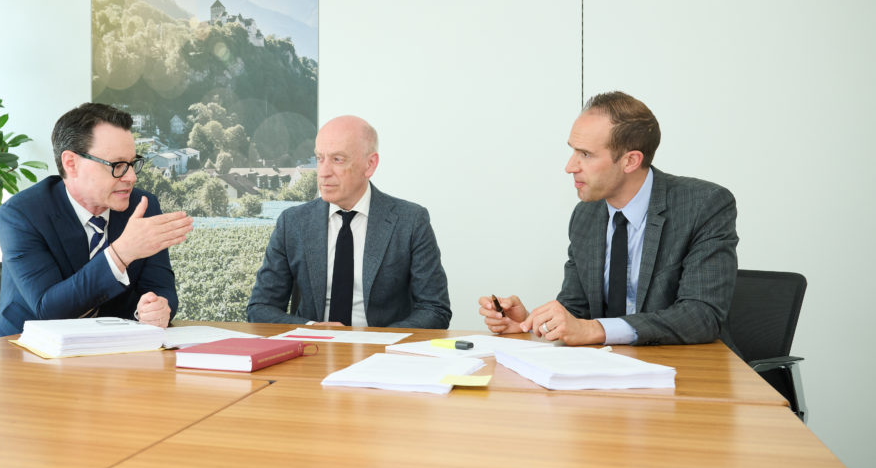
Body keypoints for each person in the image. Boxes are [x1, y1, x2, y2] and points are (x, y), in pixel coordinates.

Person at [479, 91, 738, 345]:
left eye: (586, 154)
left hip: (685, 366)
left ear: (630, 161)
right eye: (573, 151)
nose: (570, 167)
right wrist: (530, 324)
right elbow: (576, 312)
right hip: (607, 366)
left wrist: (596, 329)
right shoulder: (586, 215)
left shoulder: (703, 205)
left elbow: (702, 316)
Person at [0, 102, 194, 338]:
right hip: (22, 347)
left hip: (108, 348)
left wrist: (155, 309)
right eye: (117, 165)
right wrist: (120, 254)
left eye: (132, 163)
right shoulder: (21, 214)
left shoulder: (143, 206)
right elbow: (48, 309)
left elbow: (161, 287)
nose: (131, 177)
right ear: (71, 163)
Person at [247, 115, 452, 328]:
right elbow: (260, 308)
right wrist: (311, 328)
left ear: (370, 164)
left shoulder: (411, 221)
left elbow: (435, 310)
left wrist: (376, 340)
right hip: (313, 345)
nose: (323, 172)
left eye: (338, 159)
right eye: (320, 158)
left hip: (383, 346)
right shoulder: (292, 222)